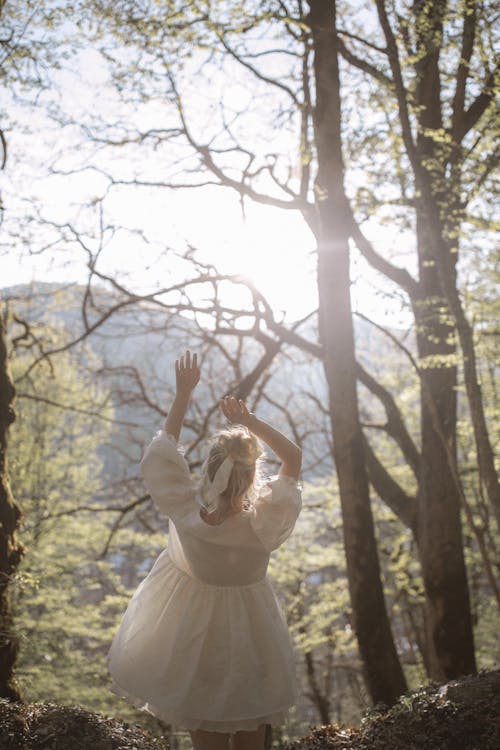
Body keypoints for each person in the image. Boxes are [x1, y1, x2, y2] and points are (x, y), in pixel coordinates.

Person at [108, 350, 302, 750]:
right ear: (252, 480)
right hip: (254, 639)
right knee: (252, 730)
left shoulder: (187, 517)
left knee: (206, 735)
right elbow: (294, 459)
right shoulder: (263, 527)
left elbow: (162, 453)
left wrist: (183, 394)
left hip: (195, 642)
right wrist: (250, 421)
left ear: (209, 473)